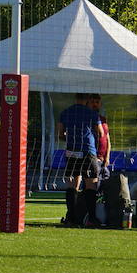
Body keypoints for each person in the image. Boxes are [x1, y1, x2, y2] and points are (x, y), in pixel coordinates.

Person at [57, 92, 104, 227]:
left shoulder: (65, 112)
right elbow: (100, 132)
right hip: (87, 151)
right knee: (91, 184)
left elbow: (60, 134)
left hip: (71, 151)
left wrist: (71, 137)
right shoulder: (91, 113)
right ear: (87, 100)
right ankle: (91, 219)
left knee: (72, 184)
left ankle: (71, 218)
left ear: (75, 98)